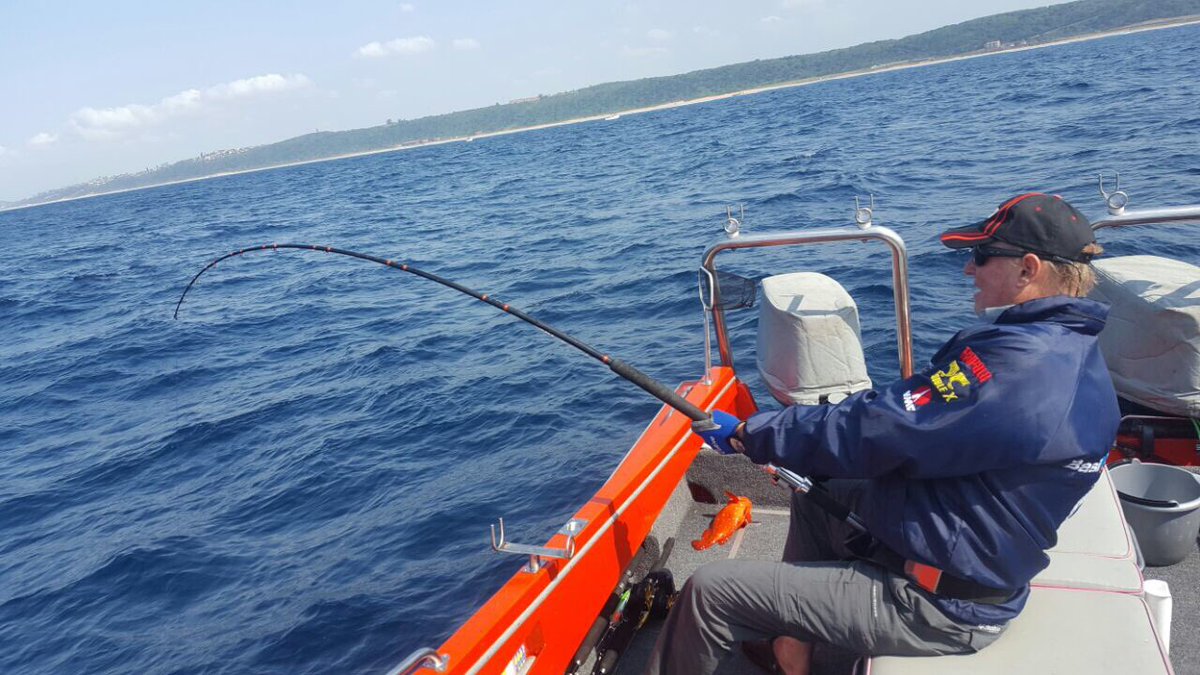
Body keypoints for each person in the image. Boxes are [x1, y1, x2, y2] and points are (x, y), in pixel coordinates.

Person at [645, 193, 1120, 675]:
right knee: (815, 488)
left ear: (1028, 269)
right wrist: (788, 442)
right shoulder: (1062, 351)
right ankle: (792, 648)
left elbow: (883, 430)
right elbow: (909, 422)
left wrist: (753, 431)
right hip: (962, 544)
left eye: (980, 257)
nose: (968, 271)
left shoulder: (1020, 370)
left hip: (942, 606)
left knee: (710, 592)